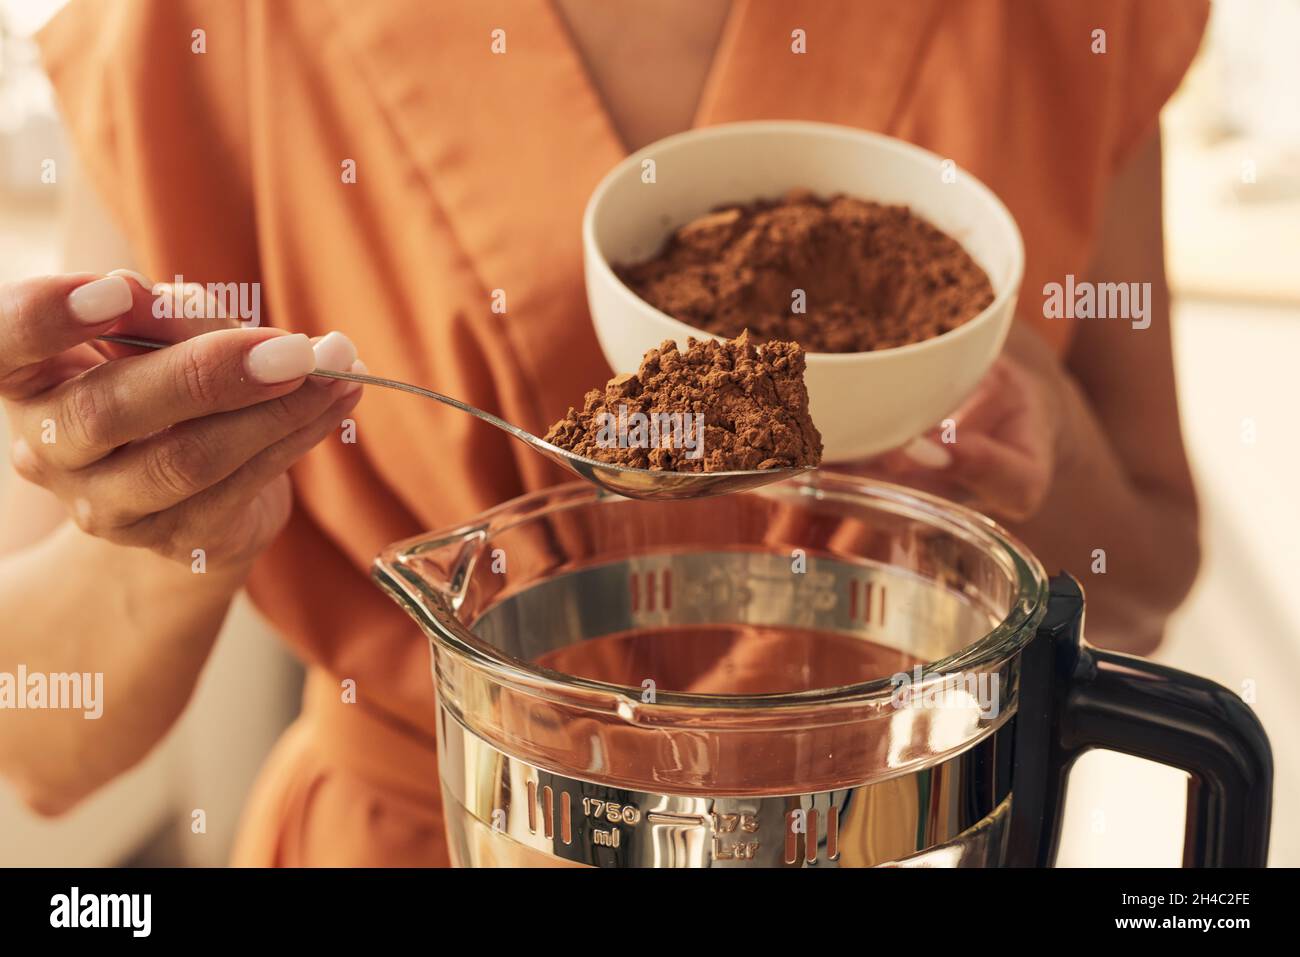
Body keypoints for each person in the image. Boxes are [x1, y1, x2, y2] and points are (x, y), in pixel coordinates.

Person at [0, 0, 1208, 866]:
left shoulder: (1061, 23)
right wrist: (174, 517)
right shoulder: (197, 30)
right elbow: (43, 742)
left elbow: (1144, 578)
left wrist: (1032, 441)